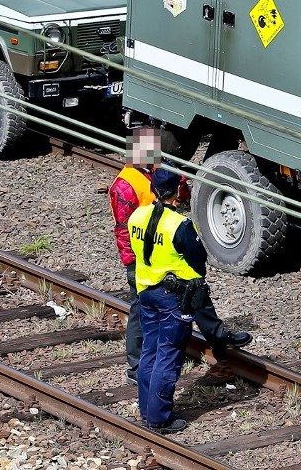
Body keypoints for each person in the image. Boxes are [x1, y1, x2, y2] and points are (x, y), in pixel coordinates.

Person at [109, 128, 251, 386]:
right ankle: (136, 366)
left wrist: (177, 179)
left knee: (195, 292)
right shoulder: (124, 185)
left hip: (167, 252)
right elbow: (123, 229)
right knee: (140, 312)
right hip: (145, 260)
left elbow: (181, 195)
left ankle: (218, 338)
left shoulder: (154, 172)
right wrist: (133, 264)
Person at [129, 168, 206, 433]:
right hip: (173, 297)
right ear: (176, 193)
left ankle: (146, 409)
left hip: (145, 291)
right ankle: (159, 418)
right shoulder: (179, 225)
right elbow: (198, 259)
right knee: (168, 356)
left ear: (153, 190)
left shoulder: (137, 216)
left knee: (149, 350)